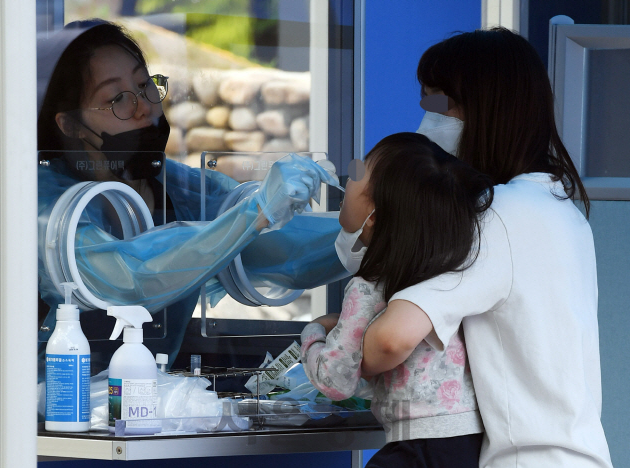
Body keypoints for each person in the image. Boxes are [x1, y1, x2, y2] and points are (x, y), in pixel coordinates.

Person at [361, 28, 613, 467]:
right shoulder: (559, 209)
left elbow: (390, 337)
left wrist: (338, 344)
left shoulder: (495, 216)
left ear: (486, 109)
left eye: (441, 104)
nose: (428, 123)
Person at [36, 20, 346, 374]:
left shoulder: (183, 189)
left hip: (143, 405)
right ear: (71, 125)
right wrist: (256, 213)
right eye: (117, 98)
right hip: (51, 411)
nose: (142, 108)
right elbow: (130, 278)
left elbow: (276, 251)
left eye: (144, 86)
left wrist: (376, 230)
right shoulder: (43, 201)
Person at [300, 132, 494, 468]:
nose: (348, 181)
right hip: (472, 443)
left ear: (373, 216)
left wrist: (314, 332)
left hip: (418, 446)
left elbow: (335, 380)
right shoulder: (452, 271)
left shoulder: (368, 287)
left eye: (357, 178)